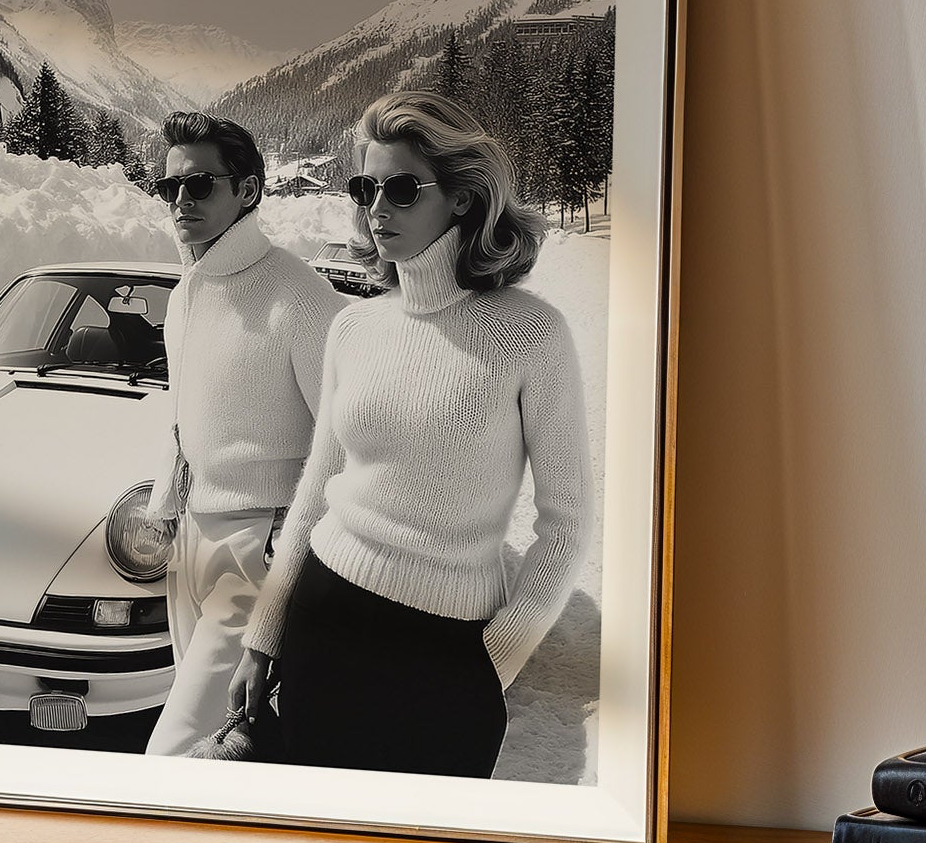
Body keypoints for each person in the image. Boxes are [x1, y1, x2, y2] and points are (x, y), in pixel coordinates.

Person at [232, 90, 594, 778]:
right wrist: (265, 634)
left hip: (447, 655)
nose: (377, 209)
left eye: (401, 188)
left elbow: (567, 525)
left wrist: (495, 662)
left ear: (462, 198)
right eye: (365, 187)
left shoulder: (531, 334)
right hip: (324, 619)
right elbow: (317, 491)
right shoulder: (354, 326)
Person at [141, 111, 344, 755]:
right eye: (168, 186)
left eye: (199, 185)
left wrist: (294, 554)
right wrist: (165, 508)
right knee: (218, 749)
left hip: (261, 546)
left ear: (248, 191)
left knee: (176, 748)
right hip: (193, 539)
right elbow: (186, 415)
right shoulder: (184, 293)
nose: (180, 201)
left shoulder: (301, 296)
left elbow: (347, 442)